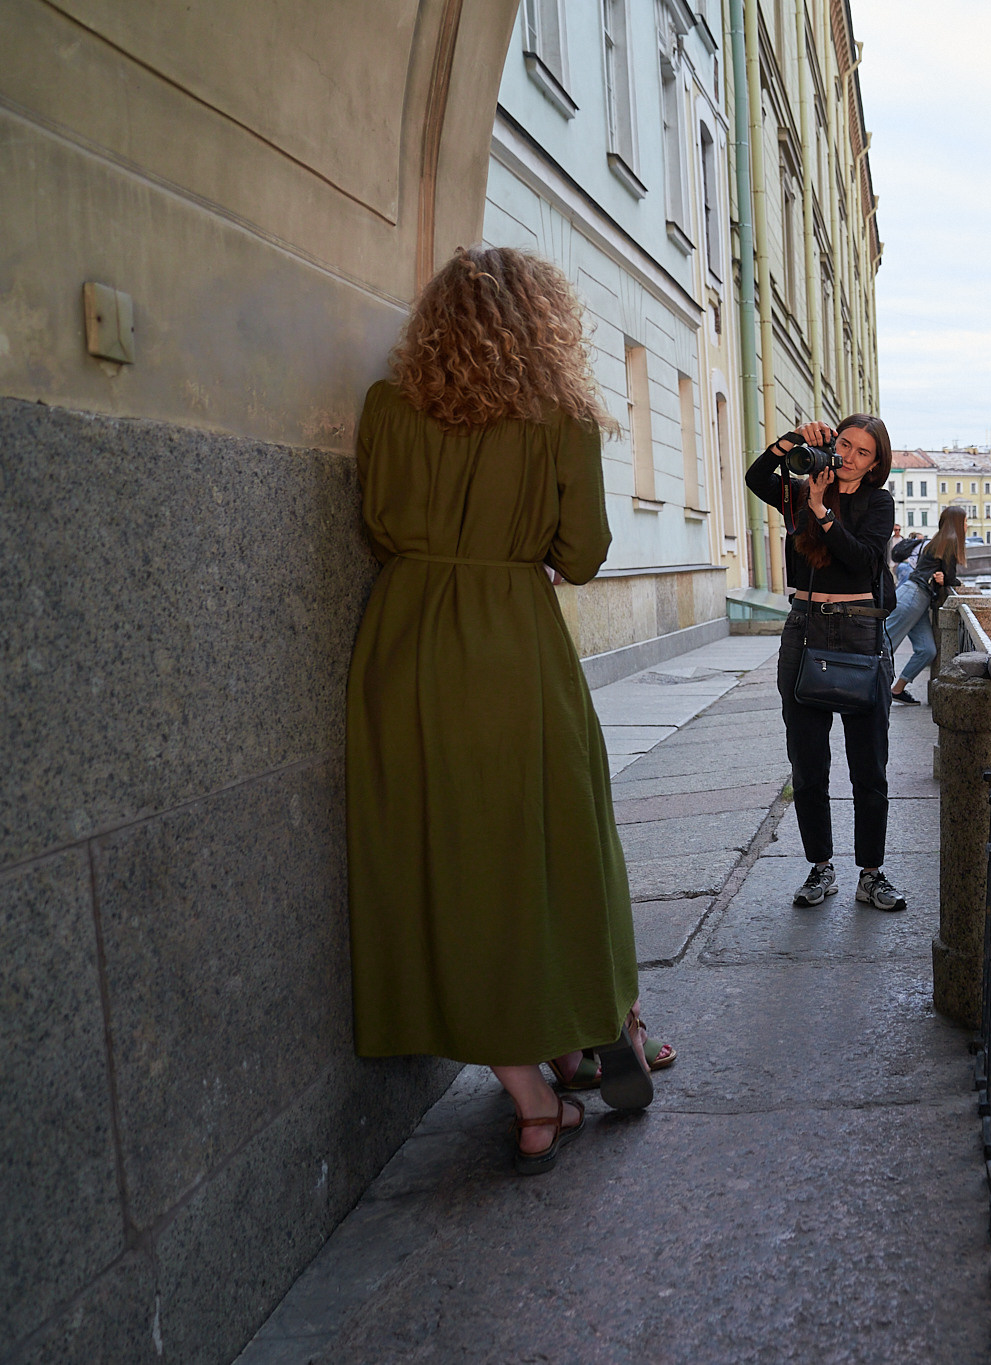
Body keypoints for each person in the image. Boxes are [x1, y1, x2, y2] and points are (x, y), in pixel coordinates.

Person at [347, 246, 656, 1175]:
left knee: (443, 863)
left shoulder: (386, 408)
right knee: (553, 845)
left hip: (406, 650)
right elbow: (587, 550)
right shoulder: (559, 417)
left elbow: (377, 520)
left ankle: (532, 1087)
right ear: (542, 329)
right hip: (515, 646)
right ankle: (584, 1028)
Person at [746, 416, 909, 914]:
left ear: (875, 462)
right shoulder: (796, 490)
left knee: (868, 764)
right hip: (804, 629)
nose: (850, 456)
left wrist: (822, 510)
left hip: (860, 633)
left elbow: (862, 560)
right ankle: (820, 867)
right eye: (844, 444)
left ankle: (871, 873)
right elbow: (756, 479)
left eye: (863, 451)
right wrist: (793, 441)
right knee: (808, 763)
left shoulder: (877, 502)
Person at [886, 507, 964, 705]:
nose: (966, 524)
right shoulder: (950, 541)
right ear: (956, 522)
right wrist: (949, 580)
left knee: (927, 650)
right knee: (884, 645)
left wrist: (944, 578)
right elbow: (950, 577)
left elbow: (943, 575)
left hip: (919, 599)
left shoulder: (938, 540)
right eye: (964, 520)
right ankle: (866, 689)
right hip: (913, 596)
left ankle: (897, 690)